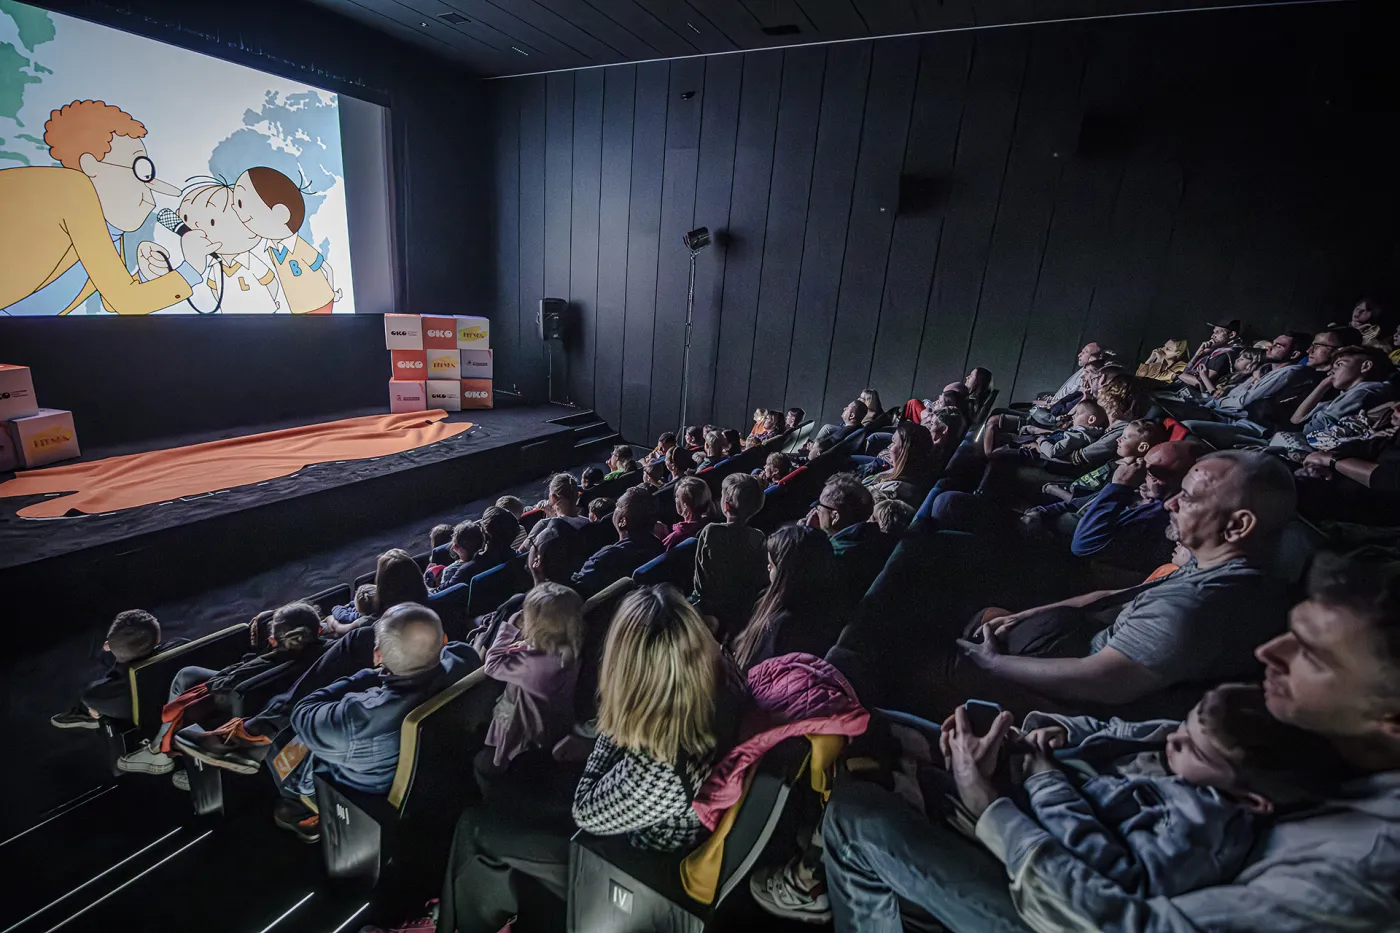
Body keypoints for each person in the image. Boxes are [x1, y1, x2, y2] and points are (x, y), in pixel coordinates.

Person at [819, 548, 1400, 933]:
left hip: (1074, 904)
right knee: (876, 727)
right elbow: (1168, 737)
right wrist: (1034, 737)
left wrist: (990, 806)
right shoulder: (1320, 722)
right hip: (1092, 805)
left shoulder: (1363, 868)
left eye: (1314, 654)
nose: (1270, 653)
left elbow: (1117, 921)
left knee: (855, 814)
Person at [439, 584, 745, 933]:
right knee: (523, 775)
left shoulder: (661, 767)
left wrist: (609, 728)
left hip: (621, 859)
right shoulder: (718, 682)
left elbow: (587, 811)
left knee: (475, 826)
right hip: (633, 814)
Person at [952, 450, 1295, 719]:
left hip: (1072, 699)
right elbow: (1114, 596)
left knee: (936, 670)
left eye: (1188, 498)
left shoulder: (1195, 604)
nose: (1170, 503)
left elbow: (1098, 681)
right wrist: (1026, 615)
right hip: (1072, 642)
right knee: (989, 616)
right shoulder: (1214, 567)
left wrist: (992, 664)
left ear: (1237, 526)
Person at [946, 684, 1345, 900]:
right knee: (930, 732)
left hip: (1028, 832)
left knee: (896, 778)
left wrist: (1043, 780)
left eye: (1193, 747)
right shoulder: (1187, 739)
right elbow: (1119, 729)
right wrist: (1069, 731)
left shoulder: (1200, 833)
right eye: (1184, 725)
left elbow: (1113, 873)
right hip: (1047, 775)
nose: (1173, 738)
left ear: (1248, 799)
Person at [273, 604, 479, 840]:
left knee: (292, 744)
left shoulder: (356, 718)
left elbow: (302, 712)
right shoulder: (465, 658)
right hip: (435, 774)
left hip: (365, 789)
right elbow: (451, 650)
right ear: (443, 640)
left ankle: (298, 806)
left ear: (377, 656)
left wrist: (366, 677)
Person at [1, 100, 213, 316]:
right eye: (140, 169)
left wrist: (145, 276)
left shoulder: (106, 231)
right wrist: (192, 269)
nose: (151, 196)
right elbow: (124, 300)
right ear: (91, 165)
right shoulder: (72, 189)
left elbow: (111, 302)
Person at [117, 602, 324, 778]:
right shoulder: (329, 653)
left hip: (231, 707)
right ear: (319, 631)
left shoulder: (263, 664)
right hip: (258, 704)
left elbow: (224, 682)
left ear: (272, 641)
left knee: (186, 676)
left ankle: (160, 752)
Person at [478, 583, 583, 783]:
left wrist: (510, 625)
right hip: (550, 722)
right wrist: (528, 644)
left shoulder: (531, 665)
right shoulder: (572, 648)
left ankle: (497, 778)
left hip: (519, 728)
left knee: (493, 766)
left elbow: (491, 665)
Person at [231, 167, 341, 314]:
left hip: (320, 303)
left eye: (241, 204)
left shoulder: (299, 246)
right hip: (297, 309)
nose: (235, 209)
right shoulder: (270, 248)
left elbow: (326, 268)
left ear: (280, 213)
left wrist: (333, 292)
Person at [51, 609, 184, 728]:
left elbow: (94, 696)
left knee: (95, 700)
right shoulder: (182, 645)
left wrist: (94, 706)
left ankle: (89, 714)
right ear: (157, 638)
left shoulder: (95, 695)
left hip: (146, 714)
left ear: (107, 646)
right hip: (178, 699)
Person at [731, 525, 839, 670]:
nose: (768, 568)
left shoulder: (782, 625)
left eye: (772, 564)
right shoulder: (829, 610)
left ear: (787, 571)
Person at [1272, 345, 1396, 453]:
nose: (1332, 371)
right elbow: (1296, 419)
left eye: (1340, 364)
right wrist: (1323, 385)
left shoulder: (1365, 391)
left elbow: (1309, 428)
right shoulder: (1350, 393)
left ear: (1365, 366)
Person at [693, 473, 769, 638]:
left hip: (713, 609)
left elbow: (700, 584)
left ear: (726, 505)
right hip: (744, 609)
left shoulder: (711, 532)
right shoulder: (758, 536)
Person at [809, 474, 895, 608]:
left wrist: (807, 538)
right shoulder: (878, 537)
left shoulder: (833, 557)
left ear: (835, 516)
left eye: (820, 505)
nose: (816, 510)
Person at [572, 487, 664, 597]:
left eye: (617, 507)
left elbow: (574, 590)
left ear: (622, 521)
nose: (614, 511)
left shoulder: (605, 558)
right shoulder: (659, 546)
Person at [865, 421, 941, 506]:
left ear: (906, 452)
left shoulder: (895, 491)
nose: (889, 447)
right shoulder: (907, 472)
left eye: (893, 443)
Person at [1176, 318, 1244, 395]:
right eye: (1213, 332)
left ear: (1231, 335)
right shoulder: (1215, 352)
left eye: (1217, 332)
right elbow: (1188, 371)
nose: (1212, 336)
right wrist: (1198, 354)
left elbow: (1201, 383)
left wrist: (1179, 375)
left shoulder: (1225, 355)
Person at [660, 476, 712, 550]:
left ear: (686, 506)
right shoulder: (713, 524)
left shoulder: (676, 538)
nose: (675, 499)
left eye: (677, 496)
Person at [432, 522, 484, 593]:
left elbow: (444, 594)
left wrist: (437, 584)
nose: (453, 547)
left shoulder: (450, 571)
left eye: (456, 546)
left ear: (455, 548)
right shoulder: (490, 558)